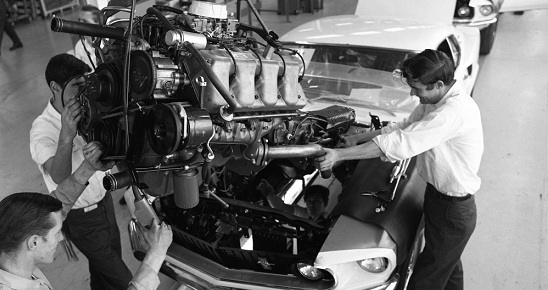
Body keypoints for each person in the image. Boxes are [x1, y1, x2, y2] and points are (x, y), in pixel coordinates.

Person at [315, 49, 483, 290]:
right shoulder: (436, 100)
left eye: (418, 88)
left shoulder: (452, 112)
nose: (413, 93)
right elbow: (403, 127)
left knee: (426, 278)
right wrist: (359, 138)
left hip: (453, 211)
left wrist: (338, 155)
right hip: (439, 200)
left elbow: (401, 144)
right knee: (447, 264)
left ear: (438, 84)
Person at [0, 142, 173, 290]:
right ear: (34, 242)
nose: (62, 238)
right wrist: (156, 254)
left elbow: (58, 203)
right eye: (57, 233)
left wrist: (88, 167)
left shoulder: (11, 252)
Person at [29, 53, 133, 289]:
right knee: (122, 279)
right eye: (76, 85)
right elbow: (58, 177)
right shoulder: (42, 129)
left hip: (105, 203)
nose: (83, 92)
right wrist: (67, 133)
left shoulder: (90, 109)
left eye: (85, 84)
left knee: (102, 272)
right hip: (80, 218)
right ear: (55, 87)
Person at [257, 180, 330, 225]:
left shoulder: (329, 221)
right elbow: (282, 208)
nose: (311, 205)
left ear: (325, 203)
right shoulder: (304, 214)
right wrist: (269, 195)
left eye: (316, 201)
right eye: (309, 201)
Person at [74, 5, 102, 70]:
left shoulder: (109, 44)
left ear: (98, 23)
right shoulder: (79, 46)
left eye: (84, 21)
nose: (80, 25)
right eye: (79, 21)